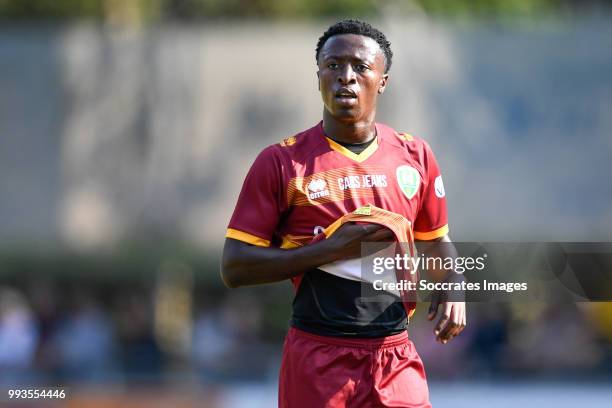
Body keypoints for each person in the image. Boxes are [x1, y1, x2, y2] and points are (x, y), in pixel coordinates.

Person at [221, 19, 466, 407]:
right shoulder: (282, 162)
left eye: (360, 67)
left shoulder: (415, 156)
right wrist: (328, 250)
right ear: (318, 75)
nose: (345, 77)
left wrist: (454, 282)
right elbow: (234, 266)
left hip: (395, 356)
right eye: (333, 65)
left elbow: (437, 242)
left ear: (382, 80)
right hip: (317, 357)